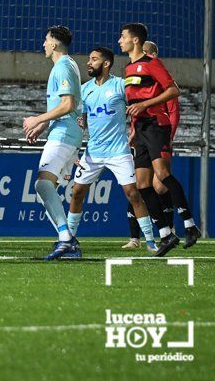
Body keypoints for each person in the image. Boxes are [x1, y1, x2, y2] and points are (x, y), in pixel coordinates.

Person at [66, 47, 156, 254]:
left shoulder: (120, 86)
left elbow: (137, 109)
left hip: (118, 151)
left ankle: (150, 242)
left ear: (106, 64)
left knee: (133, 194)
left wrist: (136, 131)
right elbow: (83, 121)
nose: (89, 62)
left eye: (94, 59)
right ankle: (69, 238)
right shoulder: (85, 89)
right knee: (77, 192)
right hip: (93, 152)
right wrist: (75, 145)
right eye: (89, 59)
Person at [119, 23, 196, 256]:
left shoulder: (153, 64)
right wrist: (133, 128)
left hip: (156, 125)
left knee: (162, 176)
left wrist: (145, 104)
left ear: (135, 40)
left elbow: (173, 90)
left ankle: (190, 226)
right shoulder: (129, 68)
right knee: (142, 185)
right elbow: (134, 104)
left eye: (122, 36)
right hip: (141, 129)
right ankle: (166, 234)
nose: (119, 40)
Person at [21, 25, 83, 261]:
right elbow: (64, 107)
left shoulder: (64, 67)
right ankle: (67, 239)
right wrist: (43, 125)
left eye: (46, 40)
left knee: (42, 186)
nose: (43, 44)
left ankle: (66, 239)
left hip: (65, 134)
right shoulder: (67, 66)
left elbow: (68, 105)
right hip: (65, 132)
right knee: (48, 189)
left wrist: (38, 118)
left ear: (55, 43)